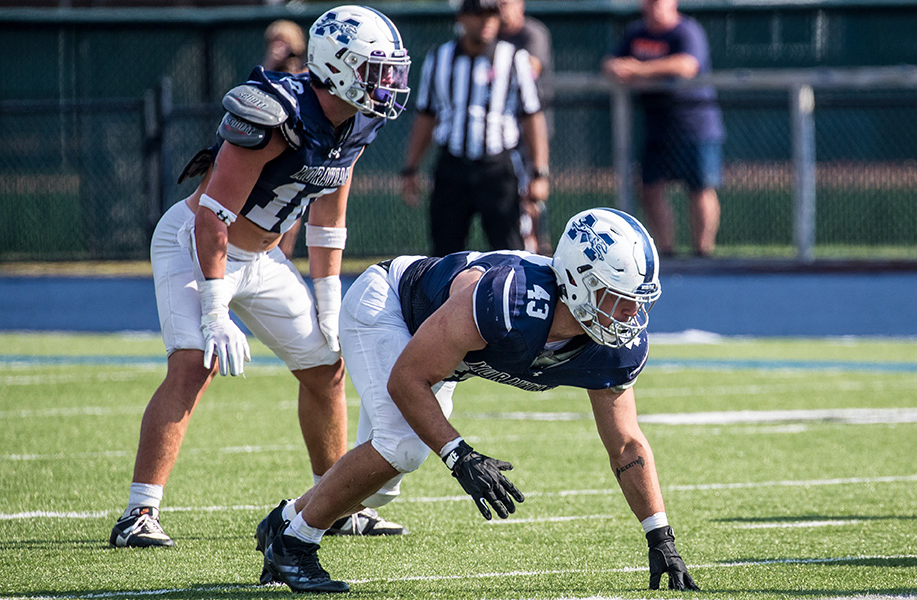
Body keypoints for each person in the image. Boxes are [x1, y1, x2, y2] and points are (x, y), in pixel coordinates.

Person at [256, 207, 700, 593]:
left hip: (443, 353)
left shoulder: (613, 348)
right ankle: (295, 545)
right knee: (402, 446)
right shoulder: (509, 298)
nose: (630, 315)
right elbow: (407, 379)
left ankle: (286, 519)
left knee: (382, 487)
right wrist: (459, 455)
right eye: (619, 299)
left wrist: (660, 536)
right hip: (388, 306)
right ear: (578, 282)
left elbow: (625, 444)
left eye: (635, 302)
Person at [109, 5, 412, 549]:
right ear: (337, 66)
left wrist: (327, 299)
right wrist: (214, 309)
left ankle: (332, 503)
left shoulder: (359, 119)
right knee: (192, 364)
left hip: (263, 259)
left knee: (326, 366)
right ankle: (138, 513)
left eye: (389, 70)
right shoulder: (274, 111)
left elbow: (328, 217)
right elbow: (212, 218)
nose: (386, 82)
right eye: (374, 69)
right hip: (196, 246)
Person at [401, 0, 549, 257]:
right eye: (478, 14)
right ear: (461, 18)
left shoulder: (514, 59)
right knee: (444, 254)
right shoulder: (439, 58)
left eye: (492, 15)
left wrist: (539, 173)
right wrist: (411, 168)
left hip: (498, 168)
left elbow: (532, 118)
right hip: (452, 166)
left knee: (512, 252)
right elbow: (426, 115)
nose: (486, 22)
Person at [601, 0, 724, 258]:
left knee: (700, 188)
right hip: (656, 126)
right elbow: (611, 63)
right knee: (650, 189)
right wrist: (619, 68)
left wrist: (638, 70)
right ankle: (666, 252)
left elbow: (686, 66)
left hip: (694, 125)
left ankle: (703, 253)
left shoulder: (686, 31)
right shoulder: (636, 33)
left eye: (659, 1)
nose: (653, 6)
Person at [498, 0, 555, 256]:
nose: (500, 9)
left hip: (528, 134)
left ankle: (538, 250)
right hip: (498, 136)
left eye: (505, 3)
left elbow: (532, 67)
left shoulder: (532, 33)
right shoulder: (491, 36)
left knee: (532, 195)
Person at [261, 19, 308, 260]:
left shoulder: (307, 78)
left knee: (292, 210)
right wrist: (271, 62)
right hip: (266, 154)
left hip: (298, 154)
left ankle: (282, 258)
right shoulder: (265, 77)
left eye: (284, 42)